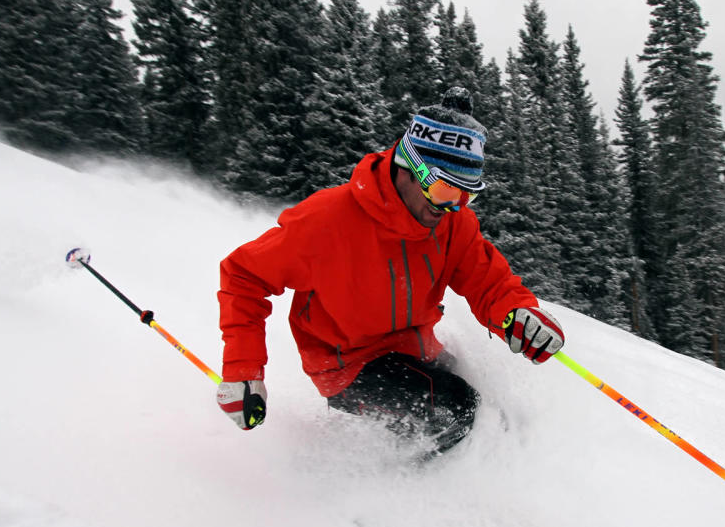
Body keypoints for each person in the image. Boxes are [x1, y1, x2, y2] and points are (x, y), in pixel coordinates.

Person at [215, 88, 565, 454]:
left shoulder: (452, 224)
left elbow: (487, 281)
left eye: (466, 196)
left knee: (491, 409)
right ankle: (407, 498)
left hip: (413, 348)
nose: (452, 208)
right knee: (456, 410)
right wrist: (243, 371)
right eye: (446, 191)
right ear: (410, 167)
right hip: (348, 363)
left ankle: (416, 458)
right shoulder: (329, 220)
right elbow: (244, 276)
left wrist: (520, 314)